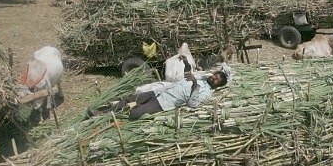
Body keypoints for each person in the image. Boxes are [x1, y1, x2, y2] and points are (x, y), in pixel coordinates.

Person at [90, 62, 231, 120]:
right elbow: (188, 74)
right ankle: (103, 112)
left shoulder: (206, 92)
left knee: (134, 113)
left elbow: (193, 104)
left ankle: (115, 117)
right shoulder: (202, 76)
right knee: (130, 98)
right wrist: (187, 64)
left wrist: (194, 85)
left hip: (164, 102)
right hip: (160, 91)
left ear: (218, 85)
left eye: (217, 79)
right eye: (215, 75)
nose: (214, 78)